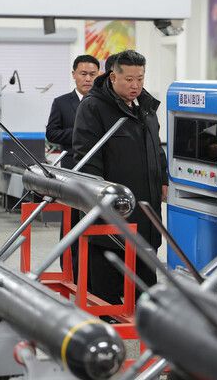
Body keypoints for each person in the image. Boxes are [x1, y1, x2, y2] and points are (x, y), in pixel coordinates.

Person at [73, 49, 168, 305]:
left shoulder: (146, 107)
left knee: (145, 277)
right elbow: (87, 159)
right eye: (129, 79)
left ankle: (145, 312)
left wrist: (163, 179)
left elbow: (157, 147)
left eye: (140, 78)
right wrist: (101, 199)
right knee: (107, 278)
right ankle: (107, 315)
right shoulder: (93, 107)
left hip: (146, 208)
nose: (135, 85)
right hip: (112, 211)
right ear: (113, 77)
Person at [46, 55, 99, 283]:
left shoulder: (103, 103)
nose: (88, 79)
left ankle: (92, 273)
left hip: (98, 172)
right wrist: (80, 133)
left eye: (92, 74)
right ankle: (70, 270)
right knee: (71, 222)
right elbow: (52, 133)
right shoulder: (61, 102)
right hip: (71, 169)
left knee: (96, 223)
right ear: (74, 75)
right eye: (83, 74)